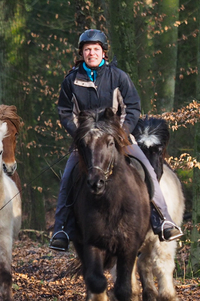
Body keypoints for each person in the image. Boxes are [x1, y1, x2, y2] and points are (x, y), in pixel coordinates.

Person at [49, 29, 183, 251]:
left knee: (148, 170)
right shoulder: (71, 81)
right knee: (67, 179)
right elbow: (65, 111)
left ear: (104, 52)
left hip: (119, 138)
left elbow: (132, 107)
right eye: (87, 49)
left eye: (95, 49)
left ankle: (163, 220)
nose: (91, 53)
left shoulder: (119, 77)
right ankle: (61, 229)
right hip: (87, 142)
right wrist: (80, 135)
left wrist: (121, 132)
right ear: (81, 53)